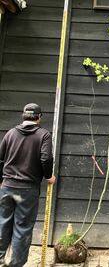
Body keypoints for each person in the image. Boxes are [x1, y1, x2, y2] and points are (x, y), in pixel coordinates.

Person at [0, 103, 56, 267]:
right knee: (22, 227)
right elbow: (46, 159)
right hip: (27, 189)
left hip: (7, 186)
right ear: (39, 117)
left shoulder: (10, 133)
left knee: (2, 222)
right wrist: (48, 176)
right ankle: (15, 264)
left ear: (23, 116)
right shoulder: (44, 135)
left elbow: (0, 159)